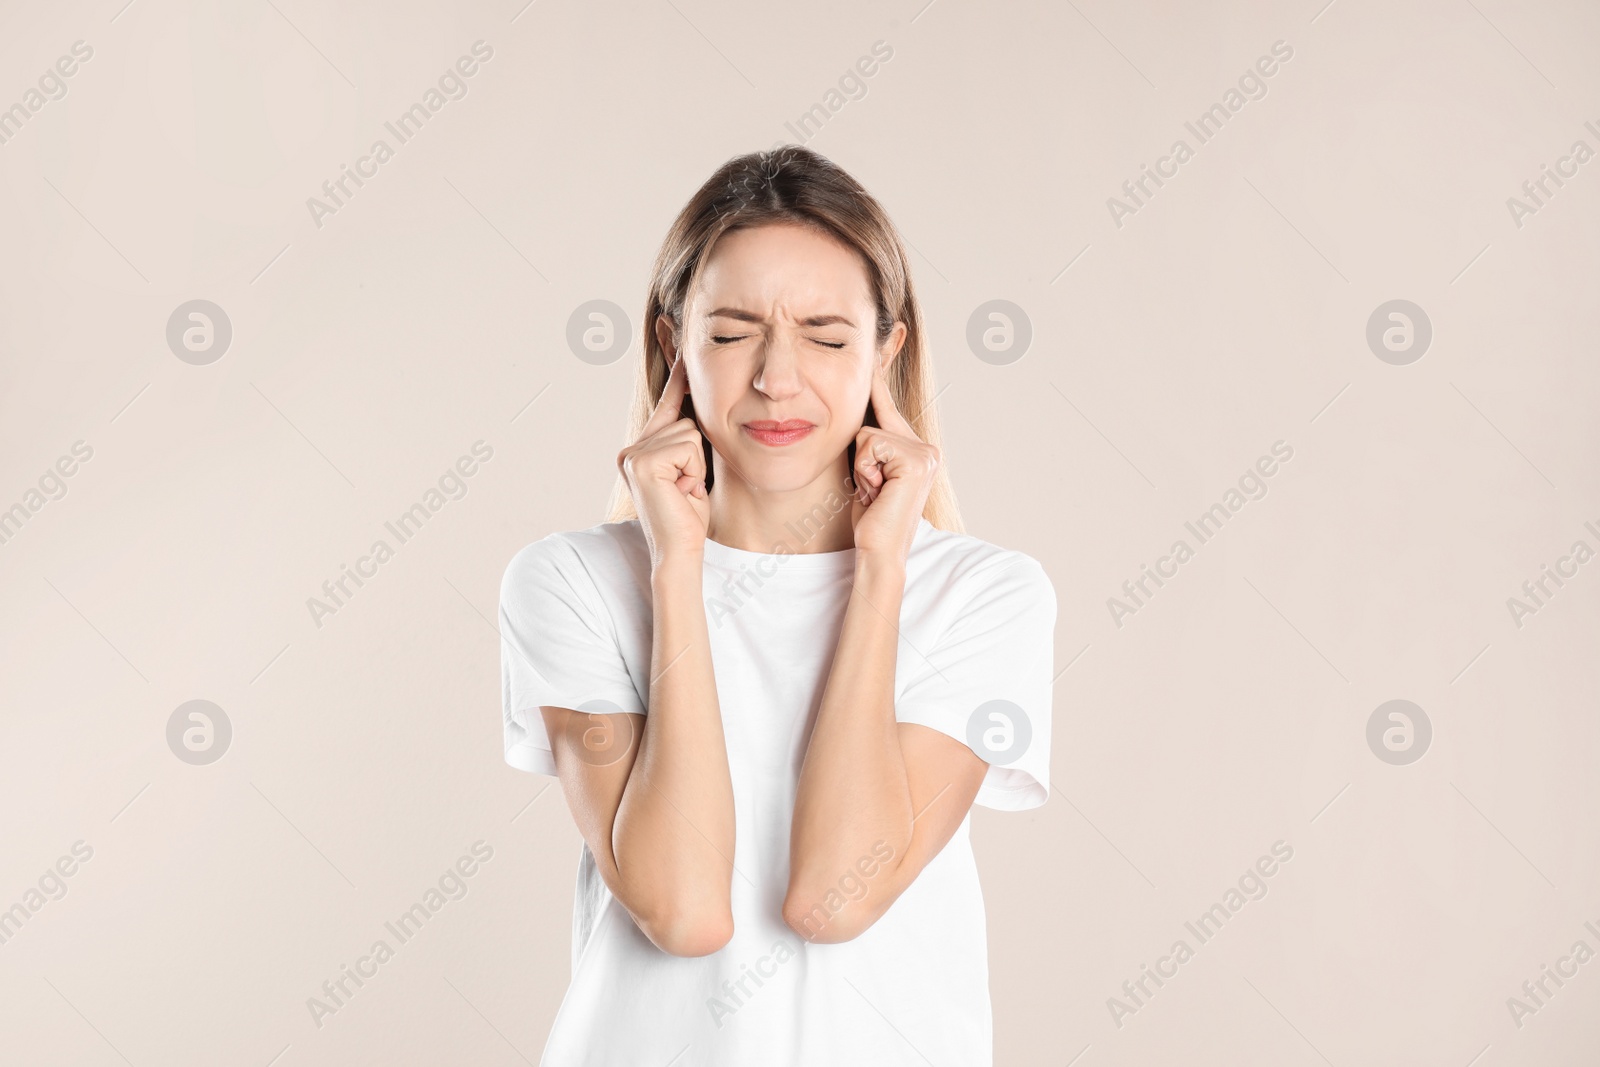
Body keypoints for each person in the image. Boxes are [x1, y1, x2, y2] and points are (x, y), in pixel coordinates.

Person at [499, 145, 1057, 1066]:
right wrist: (675, 570)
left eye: (829, 337)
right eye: (731, 333)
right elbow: (681, 907)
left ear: (888, 350)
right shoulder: (570, 582)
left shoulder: (984, 595)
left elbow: (833, 896)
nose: (777, 377)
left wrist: (881, 571)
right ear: (670, 343)